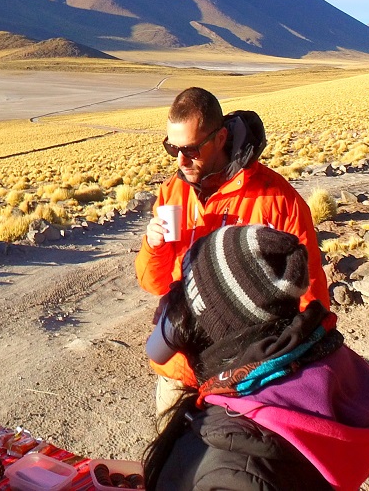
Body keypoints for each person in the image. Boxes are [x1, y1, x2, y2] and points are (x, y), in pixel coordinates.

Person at [142, 225, 369, 491]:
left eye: (182, 293)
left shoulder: (233, 471)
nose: (170, 302)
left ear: (208, 322)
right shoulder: (309, 368)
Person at [136, 87, 328, 415]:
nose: (180, 161)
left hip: (245, 377)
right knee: (171, 447)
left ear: (221, 137)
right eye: (172, 148)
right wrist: (154, 247)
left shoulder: (277, 200)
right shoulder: (173, 192)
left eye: (191, 149)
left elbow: (310, 295)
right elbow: (154, 284)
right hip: (181, 369)